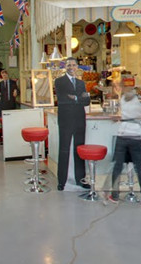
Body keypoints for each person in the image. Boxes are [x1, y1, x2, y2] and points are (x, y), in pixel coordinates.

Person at [108, 85, 141, 206]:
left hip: (122, 136)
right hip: (135, 137)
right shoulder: (138, 104)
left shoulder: (122, 101)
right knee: (139, 168)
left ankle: (115, 196)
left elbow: (121, 115)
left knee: (117, 167)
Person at [54, 57, 91, 191]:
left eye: (74, 65)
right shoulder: (59, 81)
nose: (71, 67)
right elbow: (63, 99)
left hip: (79, 119)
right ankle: (61, 181)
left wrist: (75, 98)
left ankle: (80, 179)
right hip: (65, 119)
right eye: (69, 65)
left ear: (77, 67)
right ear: (65, 67)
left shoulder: (81, 83)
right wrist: (79, 98)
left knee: (79, 150)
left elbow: (87, 101)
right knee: (64, 149)